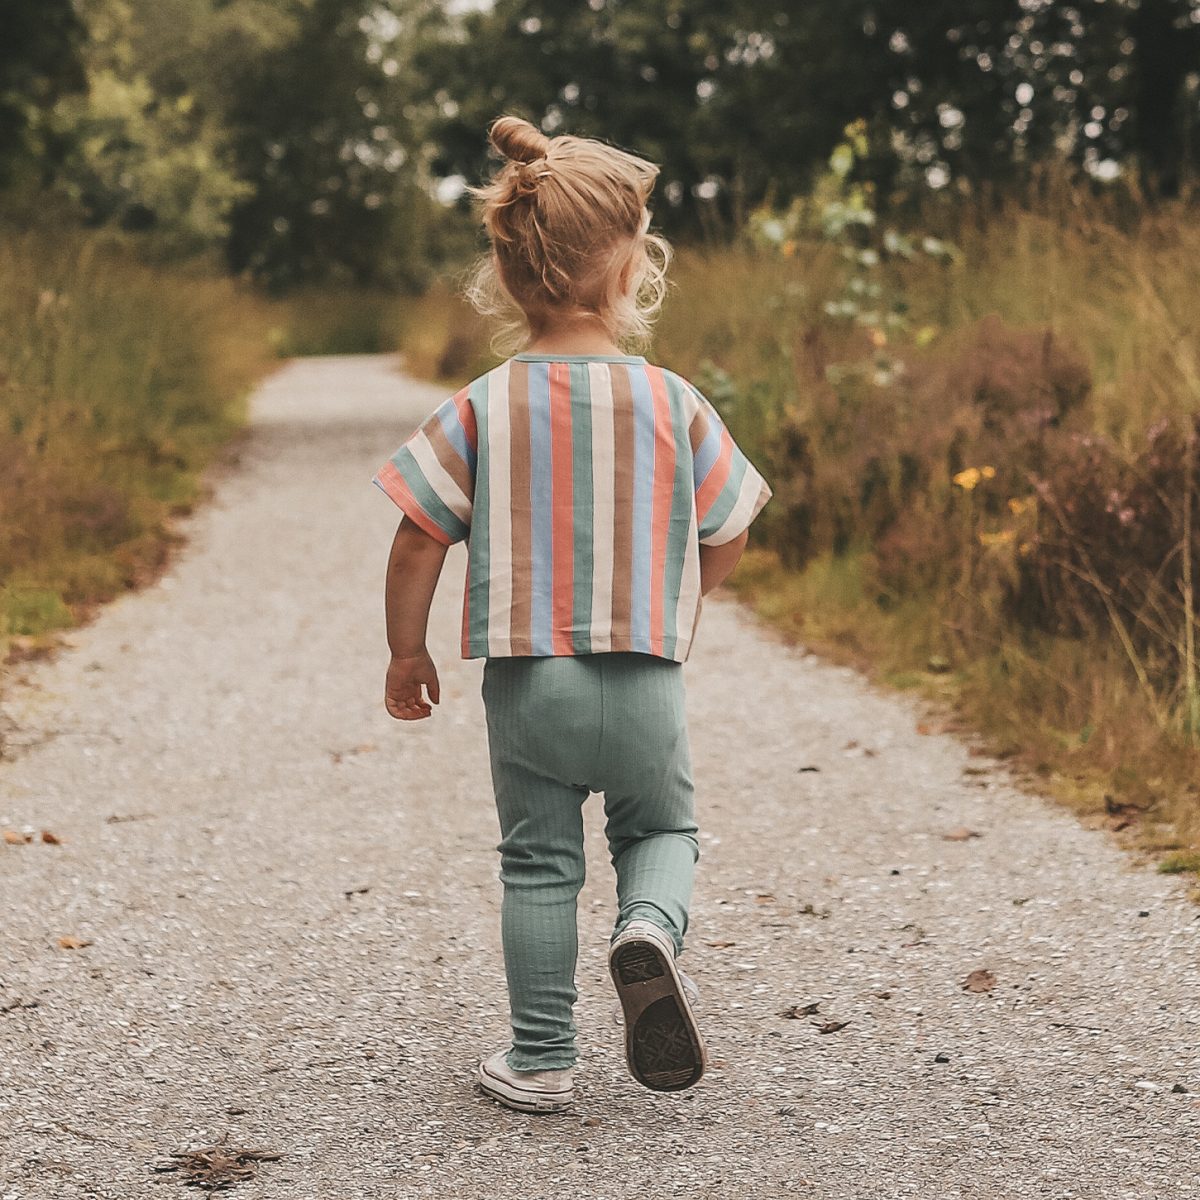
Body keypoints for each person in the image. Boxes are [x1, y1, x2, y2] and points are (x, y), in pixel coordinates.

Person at [373, 115, 771, 1114]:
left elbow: (419, 533)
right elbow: (729, 530)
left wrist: (405, 652)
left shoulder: (482, 405)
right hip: (645, 675)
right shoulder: (675, 402)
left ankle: (543, 1058)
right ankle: (646, 930)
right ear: (633, 269)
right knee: (663, 830)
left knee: (539, 864)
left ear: (508, 279)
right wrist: (673, 601)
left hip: (529, 680)